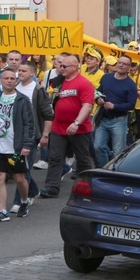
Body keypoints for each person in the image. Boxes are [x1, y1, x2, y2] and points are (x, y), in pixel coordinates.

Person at [39, 55, 95, 199]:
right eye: (60, 65)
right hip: (58, 127)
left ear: (76, 67)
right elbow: (51, 101)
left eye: (65, 66)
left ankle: (87, 187)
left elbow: (87, 106)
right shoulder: (57, 82)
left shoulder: (84, 83)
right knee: (55, 158)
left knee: (83, 159)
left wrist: (76, 122)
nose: (61, 68)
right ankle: (51, 187)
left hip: (79, 128)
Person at [0, 69, 35, 221]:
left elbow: (29, 123)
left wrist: (26, 144)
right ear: (0, 80)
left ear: (16, 81)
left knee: (19, 178)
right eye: (6, 78)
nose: (9, 81)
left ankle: (25, 201)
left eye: (12, 78)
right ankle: (2, 211)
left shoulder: (22, 100)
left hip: (15, 146)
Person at [10, 61, 53, 214]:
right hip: (13, 135)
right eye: (19, 70)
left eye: (24, 71)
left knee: (23, 168)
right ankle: (33, 190)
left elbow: (48, 115)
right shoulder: (13, 87)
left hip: (31, 136)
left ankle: (19, 201)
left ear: (32, 73)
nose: (20, 73)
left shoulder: (38, 90)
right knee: (14, 167)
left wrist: (45, 135)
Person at [93, 56, 138, 168]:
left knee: (118, 151)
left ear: (128, 68)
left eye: (125, 64)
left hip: (119, 121)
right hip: (103, 118)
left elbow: (131, 105)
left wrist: (114, 106)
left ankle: (116, 172)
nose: (121, 65)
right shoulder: (106, 77)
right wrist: (98, 99)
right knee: (97, 146)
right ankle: (104, 169)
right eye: (120, 63)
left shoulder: (131, 85)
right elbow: (98, 91)